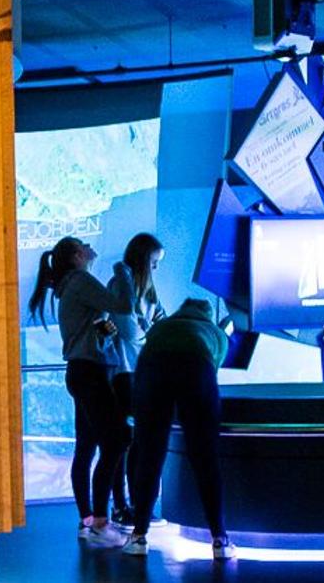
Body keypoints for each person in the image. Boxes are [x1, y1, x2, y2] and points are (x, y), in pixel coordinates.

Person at [27, 236, 132, 548]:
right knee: (117, 440)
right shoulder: (81, 281)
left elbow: (92, 326)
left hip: (81, 371)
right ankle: (100, 522)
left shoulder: (69, 287)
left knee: (87, 447)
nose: (89, 246)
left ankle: (88, 520)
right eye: (83, 244)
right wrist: (123, 272)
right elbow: (124, 306)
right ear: (76, 255)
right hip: (91, 373)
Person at [121, 298, 235, 561]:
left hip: (151, 370)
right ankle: (220, 540)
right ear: (208, 315)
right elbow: (212, 370)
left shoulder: (161, 327)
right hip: (196, 366)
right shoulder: (215, 333)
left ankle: (138, 536)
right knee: (204, 457)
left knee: (150, 455)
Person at [104, 233, 167, 529]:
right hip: (123, 371)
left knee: (136, 442)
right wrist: (149, 332)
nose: (156, 268)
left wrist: (149, 330)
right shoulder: (121, 286)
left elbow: (159, 322)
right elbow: (130, 331)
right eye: (154, 262)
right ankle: (121, 505)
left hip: (140, 371)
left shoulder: (147, 291)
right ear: (143, 259)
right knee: (123, 443)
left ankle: (135, 503)